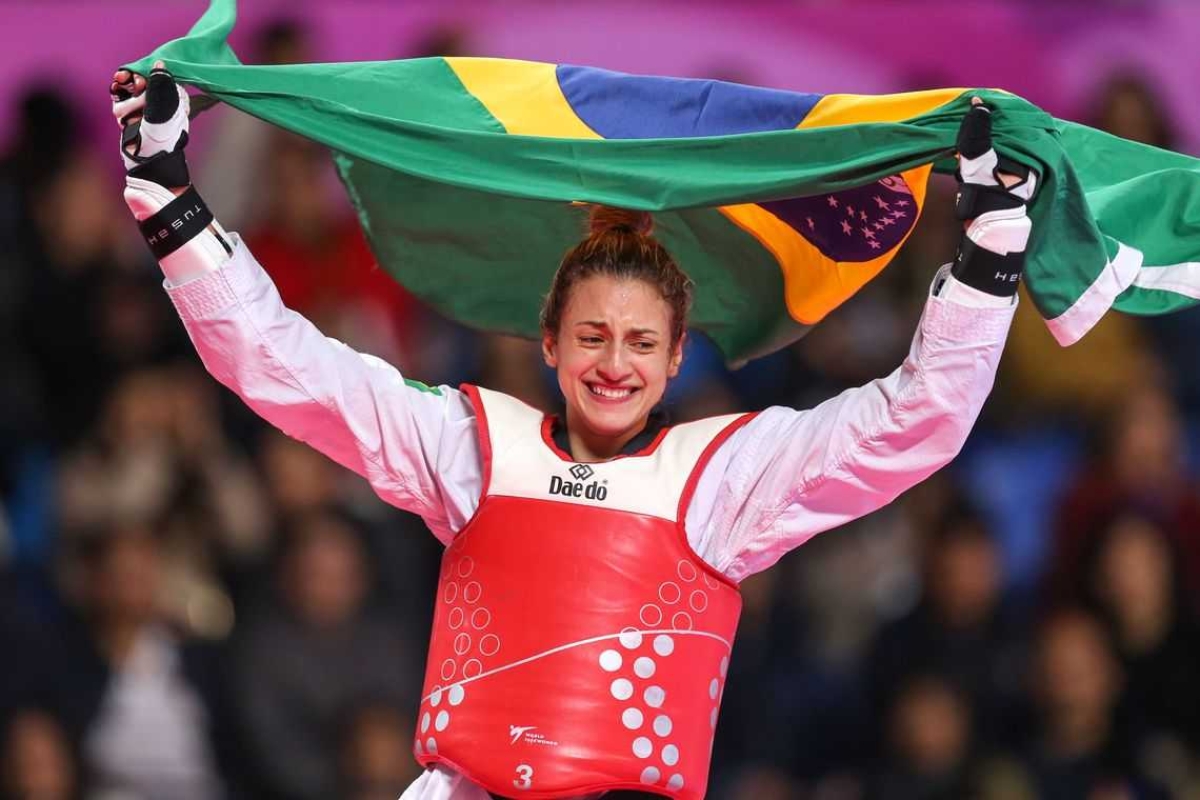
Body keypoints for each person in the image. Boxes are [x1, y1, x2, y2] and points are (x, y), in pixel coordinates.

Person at [109, 62, 1032, 800]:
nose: (613, 364)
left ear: (677, 359)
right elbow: (283, 366)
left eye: (640, 342)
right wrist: (165, 193)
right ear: (548, 341)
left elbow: (918, 417)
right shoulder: (472, 443)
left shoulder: (719, 473)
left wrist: (990, 251)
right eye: (591, 336)